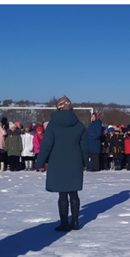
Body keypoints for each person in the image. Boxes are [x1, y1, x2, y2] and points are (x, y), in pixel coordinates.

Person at [36, 96, 89, 232]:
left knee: (63, 195)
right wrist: (84, 162)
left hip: (57, 163)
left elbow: (46, 146)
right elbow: (84, 147)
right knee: (74, 193)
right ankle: (75, 222)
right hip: (75, 162)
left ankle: (64, 223)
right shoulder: (79, 125)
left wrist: (40, 163)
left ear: (58, 108)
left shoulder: (53, 125)